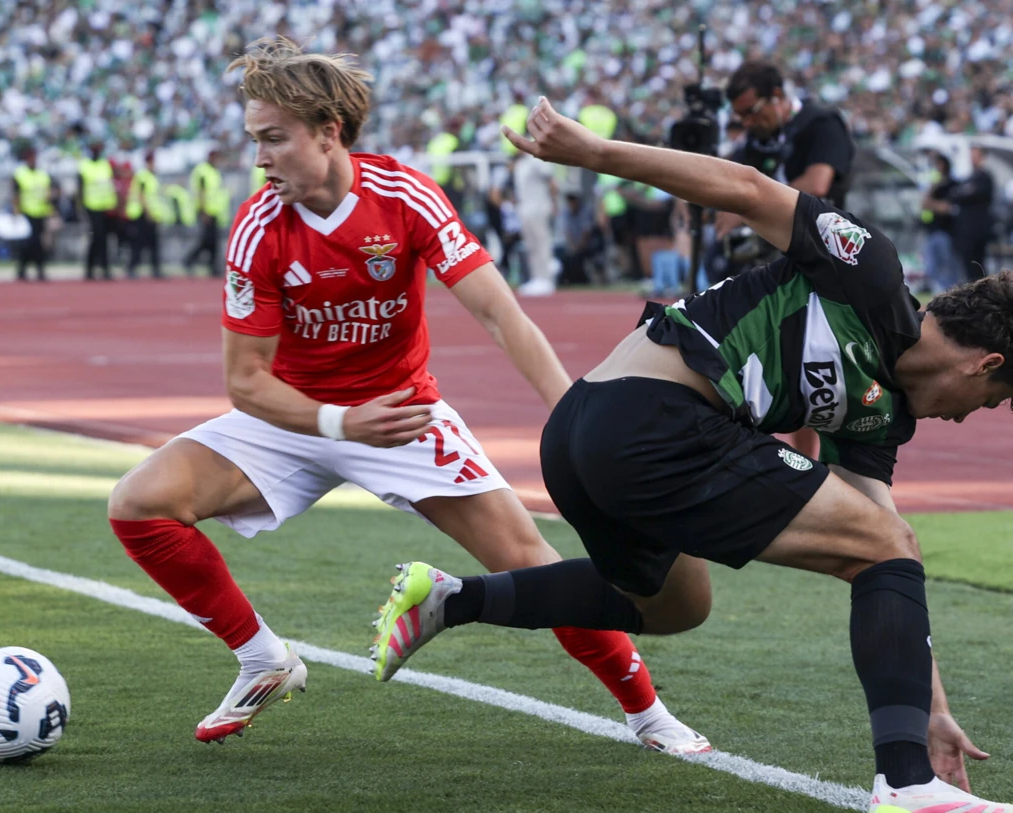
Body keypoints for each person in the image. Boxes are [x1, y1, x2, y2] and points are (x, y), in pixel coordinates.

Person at [371, 98, 1013, 813]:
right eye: (989, 401)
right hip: (652, 419)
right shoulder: (872, 273)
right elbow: (747, 188)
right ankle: (904, 783)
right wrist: (597, 154)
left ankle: (452, 599)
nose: (968, 415)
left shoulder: (881, 417)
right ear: (985, 364)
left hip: (585, 434)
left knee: (675, 604)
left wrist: (930, 707)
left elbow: (895, 550)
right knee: (881, 547)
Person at [107, 38, 707, 755]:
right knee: (138, 502)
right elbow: (245, 382)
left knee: (529, 559)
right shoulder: (258, 228)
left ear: (328, 132)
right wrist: (339, 421)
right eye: (254, 140)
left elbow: (500, 314)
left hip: (402, 415)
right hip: (295, 417)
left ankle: (648, 713)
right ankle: (263, 658)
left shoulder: (402, 196)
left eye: (273, 138)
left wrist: (576, 409)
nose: (259, 158)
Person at [721, 61, 857, 460]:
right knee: (781, 362)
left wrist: (747, 203)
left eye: (752, 111)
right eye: (741, 117)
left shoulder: (821, 123)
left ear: (778, 96)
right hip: (775, 263)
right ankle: (803, 463)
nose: (749, 123)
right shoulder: (757, 139)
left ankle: (832, 463)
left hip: (826, 260)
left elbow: (817, 184)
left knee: (823, 365)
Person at [512, 150, 558, 297]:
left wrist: (554, 203)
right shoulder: (520, 164)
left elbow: (551, 182)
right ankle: (536, 277)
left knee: (542, 243)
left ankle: (546, 278)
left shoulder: (536, 161)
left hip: (539, 208)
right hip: (525, 209)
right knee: (531, 246)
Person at [947, 145, 995, 283]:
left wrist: (960, 194)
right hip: (965, 231)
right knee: (968, 266)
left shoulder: (984, 177)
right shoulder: (969, 178)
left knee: (977, 266)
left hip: (977, 231)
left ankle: (981, 292)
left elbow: (967, 194)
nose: (973, 158)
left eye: (976, 155)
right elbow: (955, 194)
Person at [919, 152, 962, 295]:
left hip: (946, 232)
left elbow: (946, 208)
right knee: (931, 267)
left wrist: (932, 204)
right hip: (931, 231)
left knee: (949, 265)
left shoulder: (953, 185)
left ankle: (953, 293)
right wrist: (933, 187)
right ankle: (946, 292)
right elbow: (924, 203)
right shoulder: (935, 185)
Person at [185, 147, 230, 277]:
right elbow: (201, 192)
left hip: (214, 211)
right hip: (206, 211)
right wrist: (203, 211)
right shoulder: (203, 171)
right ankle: (190, 260)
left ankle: (212, 265)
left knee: (213, 240)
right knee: (206, 240)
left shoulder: (213, 171)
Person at [11, 147, 53, 282]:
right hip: (26, 213)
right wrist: (16, 211)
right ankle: (22, 269)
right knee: (27, 243)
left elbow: (49, 192)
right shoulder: (20, 174)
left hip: (40, 212)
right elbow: (16, 194)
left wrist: (50, 209)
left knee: (38, 243)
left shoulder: (43, 175)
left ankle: (40, 269)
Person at [78, 141, 118, 281]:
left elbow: (110, 185)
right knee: (95, 237)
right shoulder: (84, 165)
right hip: (92, 207)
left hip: (106, 207)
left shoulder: (105, 165)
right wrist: (81, 208)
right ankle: (90, 268)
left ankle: (104, 268)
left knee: (104, 239)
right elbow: (80, 188)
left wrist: (113, 203)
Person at [125, 151, 164, 280]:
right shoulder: (143, 176)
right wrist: (148, 212)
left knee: (153, 243)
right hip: (142, 214)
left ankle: (155, 268)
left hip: (149, 214)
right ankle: (132, 268)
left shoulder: (151, 177)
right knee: (139, 243)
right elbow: (141, 195)